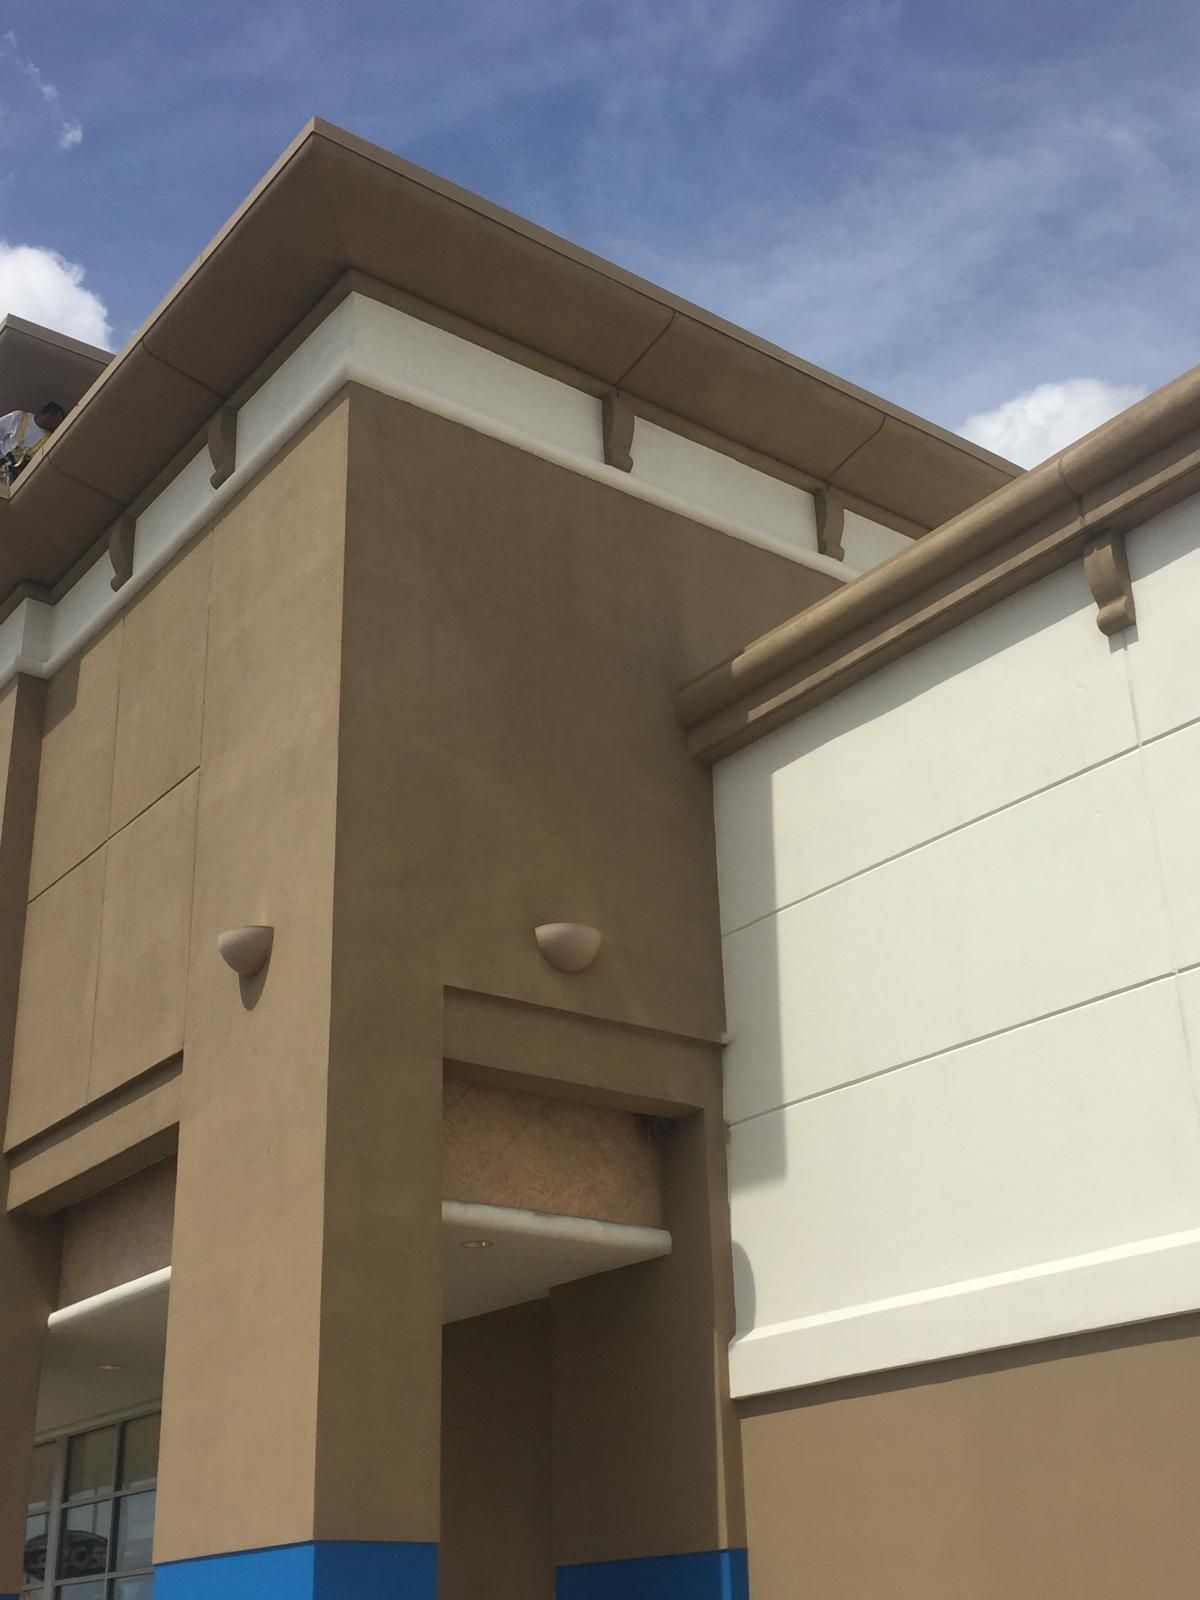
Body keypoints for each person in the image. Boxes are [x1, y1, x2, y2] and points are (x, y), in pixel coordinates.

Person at [0, 401, 65, 483]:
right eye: (58, 420)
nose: (58, 426)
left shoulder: (49, 440)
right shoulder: (19, 417)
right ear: (50, 414)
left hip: (11, 476)